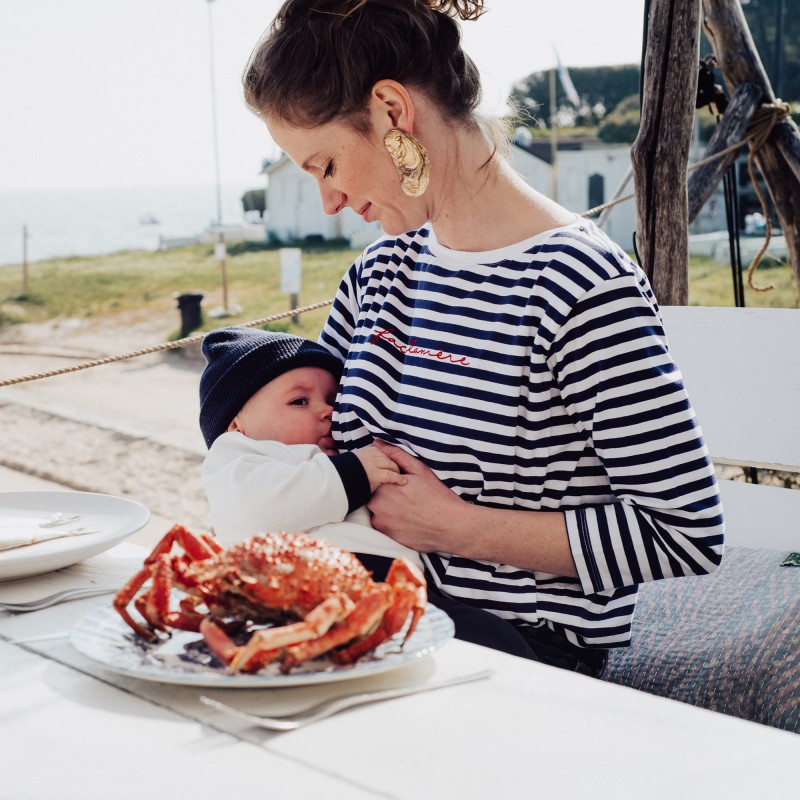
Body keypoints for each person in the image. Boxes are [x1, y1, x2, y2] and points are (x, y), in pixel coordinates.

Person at [240, 0, 725, 676]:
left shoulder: (578, 285)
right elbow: (299, 454)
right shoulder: (375, 278)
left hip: (516, 661)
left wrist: (459, 527)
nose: (330, 201)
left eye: (326, 165)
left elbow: (684, 535)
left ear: (390, 112)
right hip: (361, 631)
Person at [198, 326, 421, 567]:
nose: (328, 411)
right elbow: (256, 510)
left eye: (332, 400)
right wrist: (355, 473)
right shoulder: (234, 455)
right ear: (235, 426)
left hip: (386, 576)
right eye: (299, 401)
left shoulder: (336, 452)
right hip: (293, 578)